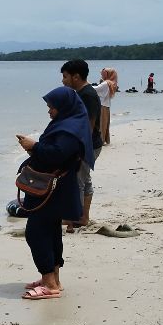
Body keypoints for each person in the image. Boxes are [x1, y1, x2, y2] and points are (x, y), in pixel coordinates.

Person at [14, 86, 95, 300]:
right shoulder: (70, 122)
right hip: (56, 186)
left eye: (52, 107)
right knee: (50, 230)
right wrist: (33, 148)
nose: (49, 111)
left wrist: (34, 145)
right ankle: (53, 279)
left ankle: (49, 283)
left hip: (53, 188)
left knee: (36, 232)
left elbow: (57, 154)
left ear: (63, 107)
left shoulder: (70, 128)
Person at [60, 60, 103, 229]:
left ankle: (74, 218)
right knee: (85, 179)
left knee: (77, 181)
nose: (63, 81)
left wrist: (78, 149)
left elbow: (89, 126)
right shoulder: (80, 92)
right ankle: (83, 217)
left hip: (88, 145)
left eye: (65, 77)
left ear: (76, 77)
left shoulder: (88, 95)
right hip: (87, 144)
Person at [93, 68, 118, 145]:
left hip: (102, 104)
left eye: (104, 74)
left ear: (108, 74)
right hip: (106, 105)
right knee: (105, 123)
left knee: (101, 123)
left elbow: (95, 89)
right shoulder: (112, 83)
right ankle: (104, 139)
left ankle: (101, 140)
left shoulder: (106, 83)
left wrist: (85, 84)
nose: (102, 75)